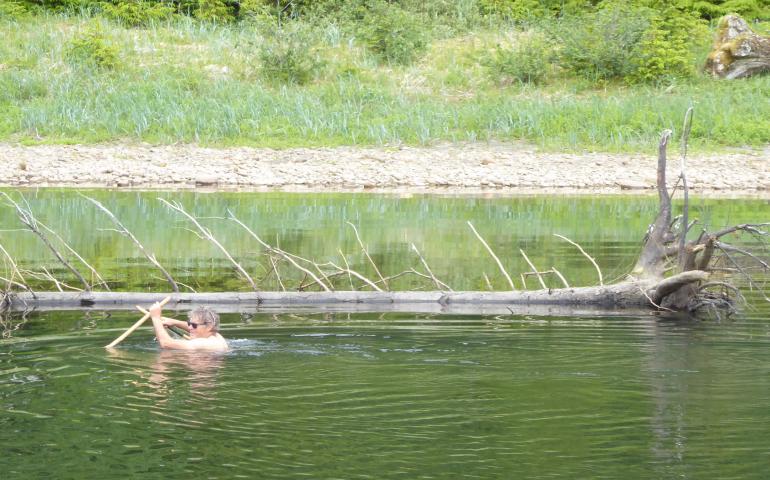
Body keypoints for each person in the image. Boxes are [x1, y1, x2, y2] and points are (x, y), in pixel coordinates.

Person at [149, 302, 229, 351]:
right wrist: (174, 322)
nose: (190, 327)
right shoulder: (217, 336)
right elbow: (198, 326)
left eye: (193, 325)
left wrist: (155, 317)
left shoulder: (204, 343)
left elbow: (166, 344)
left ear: (209, 327)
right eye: (189, 323)